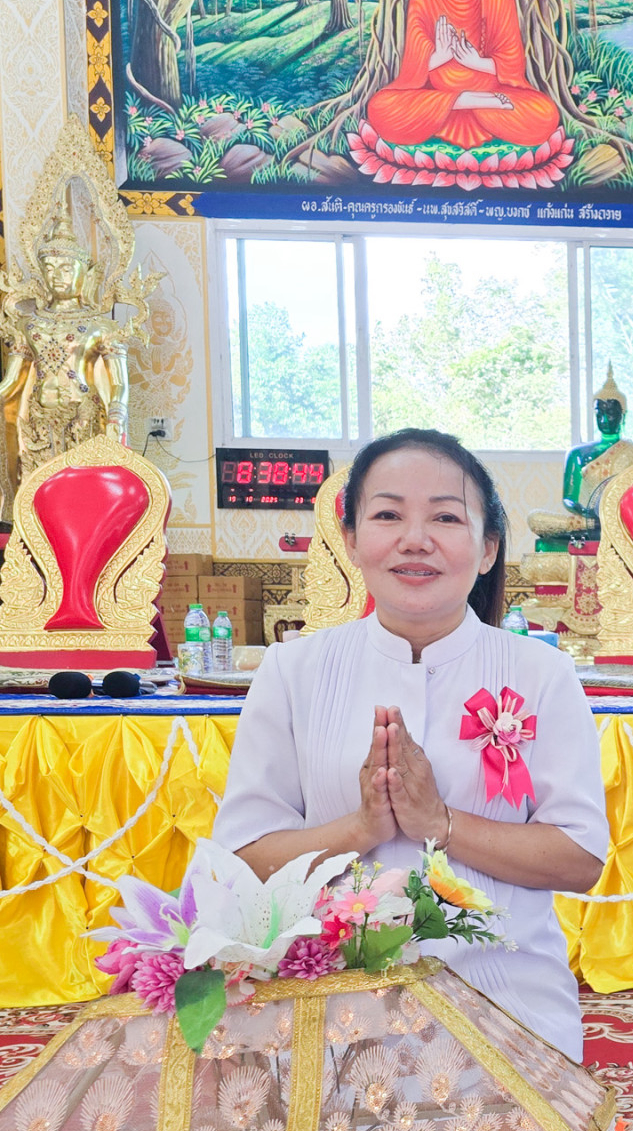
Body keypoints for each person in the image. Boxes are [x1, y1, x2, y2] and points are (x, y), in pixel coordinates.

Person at [212, 427, 610, 1057]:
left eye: (445, 518)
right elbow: (243, 857)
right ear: (350, 539)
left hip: (506, 999)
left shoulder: (542, 675)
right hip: (328, 1001)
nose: (415, 539)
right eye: (388, 514)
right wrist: (361, 829)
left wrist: (441, 822)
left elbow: (580, 860)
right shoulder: (293, 672)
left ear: (486, 549)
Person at [366, 0, 562, 153]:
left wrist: (477, 62)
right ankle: (466, 100)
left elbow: (513, 64)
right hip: (447, 96)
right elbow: (412, 70)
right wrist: (440, 56)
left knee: (545, 114)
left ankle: (462, 103)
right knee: (380, 108)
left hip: (490, 93)